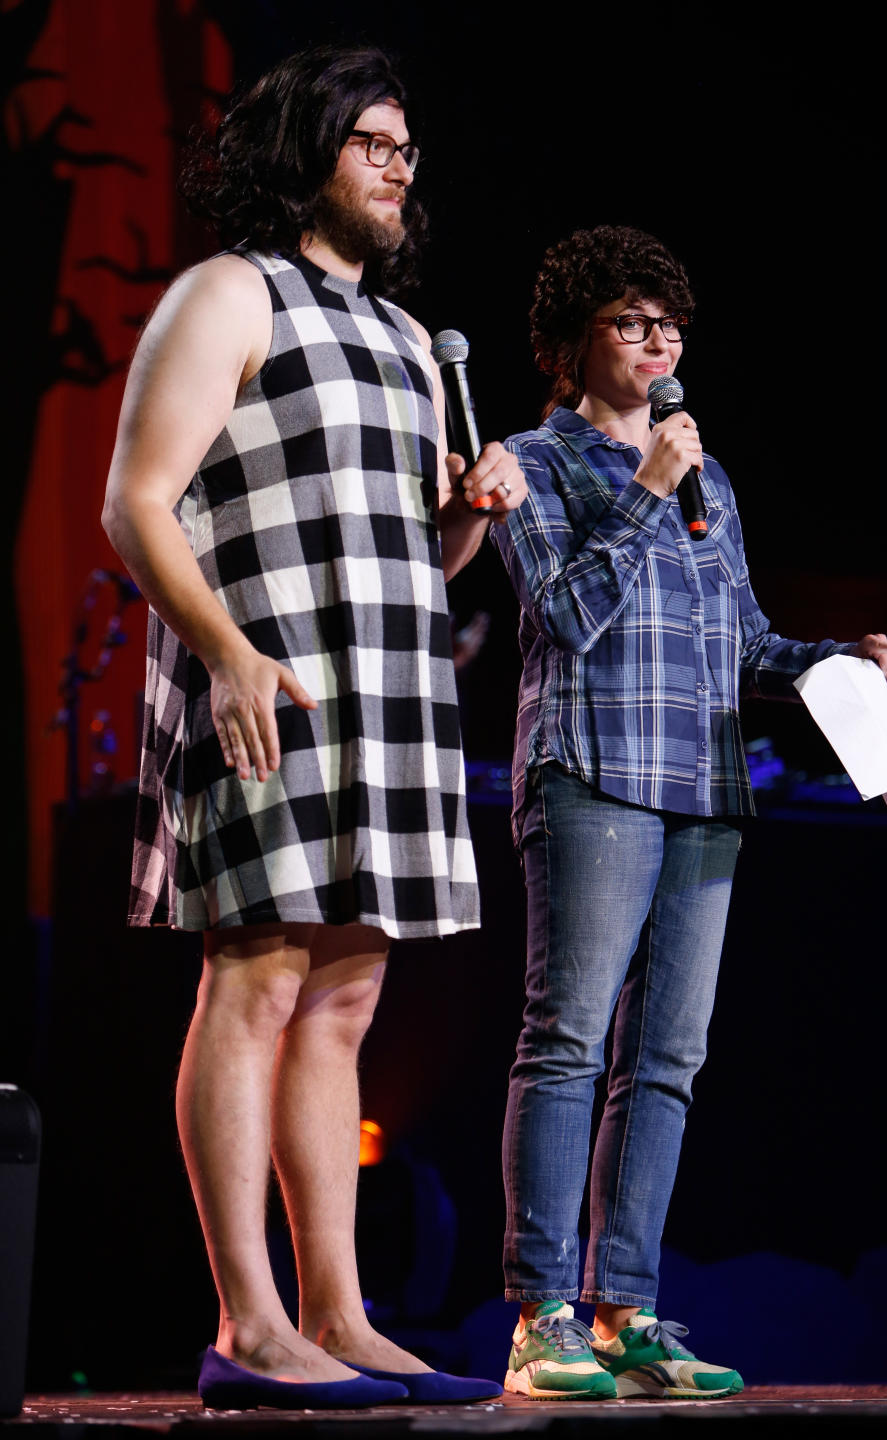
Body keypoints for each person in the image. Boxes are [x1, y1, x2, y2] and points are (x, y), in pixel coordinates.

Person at [101, 45, 524, 1411]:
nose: (402, 167)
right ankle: (247, 1324)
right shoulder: (228, 292)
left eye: (409, 148)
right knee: (260, 978)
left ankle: (337, 1316)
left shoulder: (408, 340)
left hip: (386, 701)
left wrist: (467, 518)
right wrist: (221, 651)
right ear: (307, 153)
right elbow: (138, 500)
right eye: (375, 144)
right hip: (262, 690)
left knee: (344, 1004)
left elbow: (407, 563)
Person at [488, 224, 887, 1402]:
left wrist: (840, 661)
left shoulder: (710, 477)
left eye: (668, 324)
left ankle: (626, 1311)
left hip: (706, 789)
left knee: (667, 1059)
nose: (659, 342)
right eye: (630, 322)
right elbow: (566, 615)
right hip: (595, 775)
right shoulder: (535, 460)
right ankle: (538, 1320)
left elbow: (745, 641)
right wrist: (646, 490)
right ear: (571, 346)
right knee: (568, 1042)